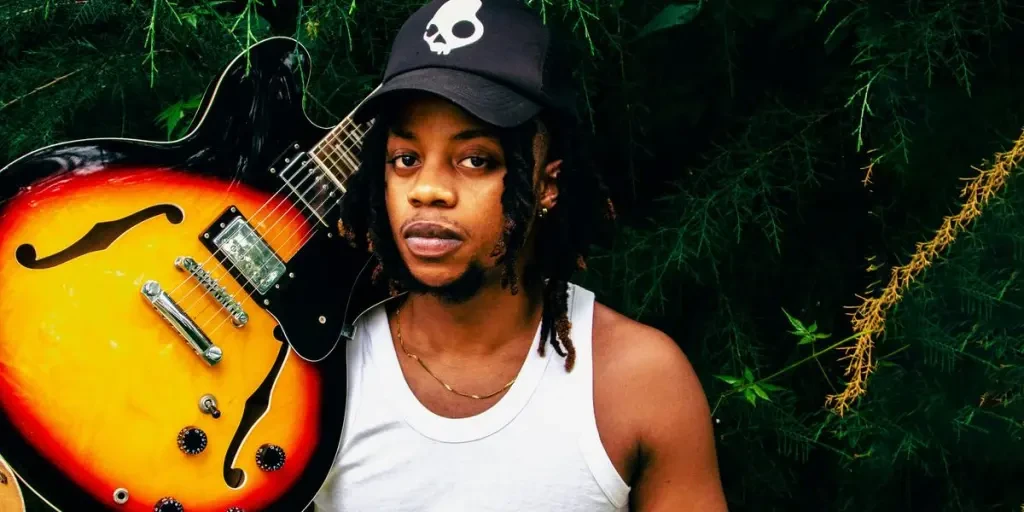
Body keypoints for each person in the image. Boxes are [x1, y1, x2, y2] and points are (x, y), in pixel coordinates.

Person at [313, 0, 728, 510]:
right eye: (406, 159)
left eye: (475, 160)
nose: (427, 190)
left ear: (547, 184)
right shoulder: (316, 367)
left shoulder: (636, 380)